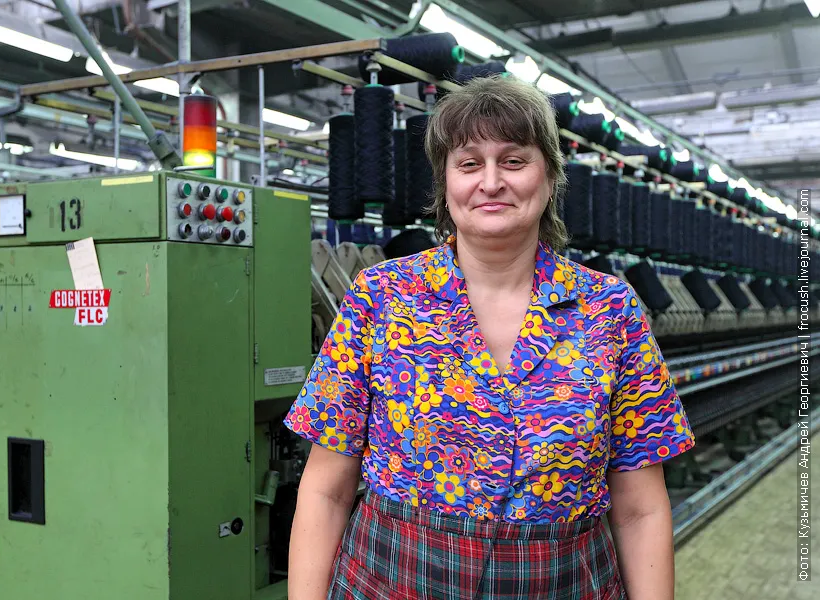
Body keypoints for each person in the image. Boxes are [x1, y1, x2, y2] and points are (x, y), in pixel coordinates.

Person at [284, 75, 695, 600]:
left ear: (550, 180)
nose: (492, 181)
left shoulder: (610, 310)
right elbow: (326, 490)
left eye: (515, 161)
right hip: (395, 581)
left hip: (564, 585)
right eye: (469, 163)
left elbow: (639, 509)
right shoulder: (383, 296)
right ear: (446, 185)